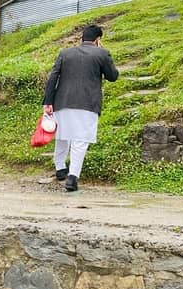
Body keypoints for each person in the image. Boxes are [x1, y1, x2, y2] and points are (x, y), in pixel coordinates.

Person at [43, 24, 119, 192]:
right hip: (87, 103)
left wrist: (47, 102)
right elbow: (112, 76)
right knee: (80, 140)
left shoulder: (65, 53)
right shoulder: (102, 53)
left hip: (62, 101)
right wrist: (105, 54)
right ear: (98, 40)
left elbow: (53, 77)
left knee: (63, 135)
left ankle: (60, 168)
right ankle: (72, 178)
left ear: (81, 38)